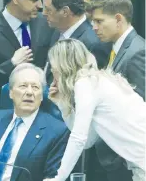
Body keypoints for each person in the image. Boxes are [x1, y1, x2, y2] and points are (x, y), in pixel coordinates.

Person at [43, 39, 145, 181]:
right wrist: (62, 103)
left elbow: (78, 139)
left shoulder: (85, 84)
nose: (52, 71)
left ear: (62, 66)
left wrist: (58, 178)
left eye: (53, 66)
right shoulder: (97, 80)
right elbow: (87, 141)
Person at [87, 0, 146, 181]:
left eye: (99, 21)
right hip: (113, 155)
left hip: (126, 160)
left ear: (118, 19)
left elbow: (140, 110)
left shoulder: (137, 52)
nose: (94, 27)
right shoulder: (118, 48)